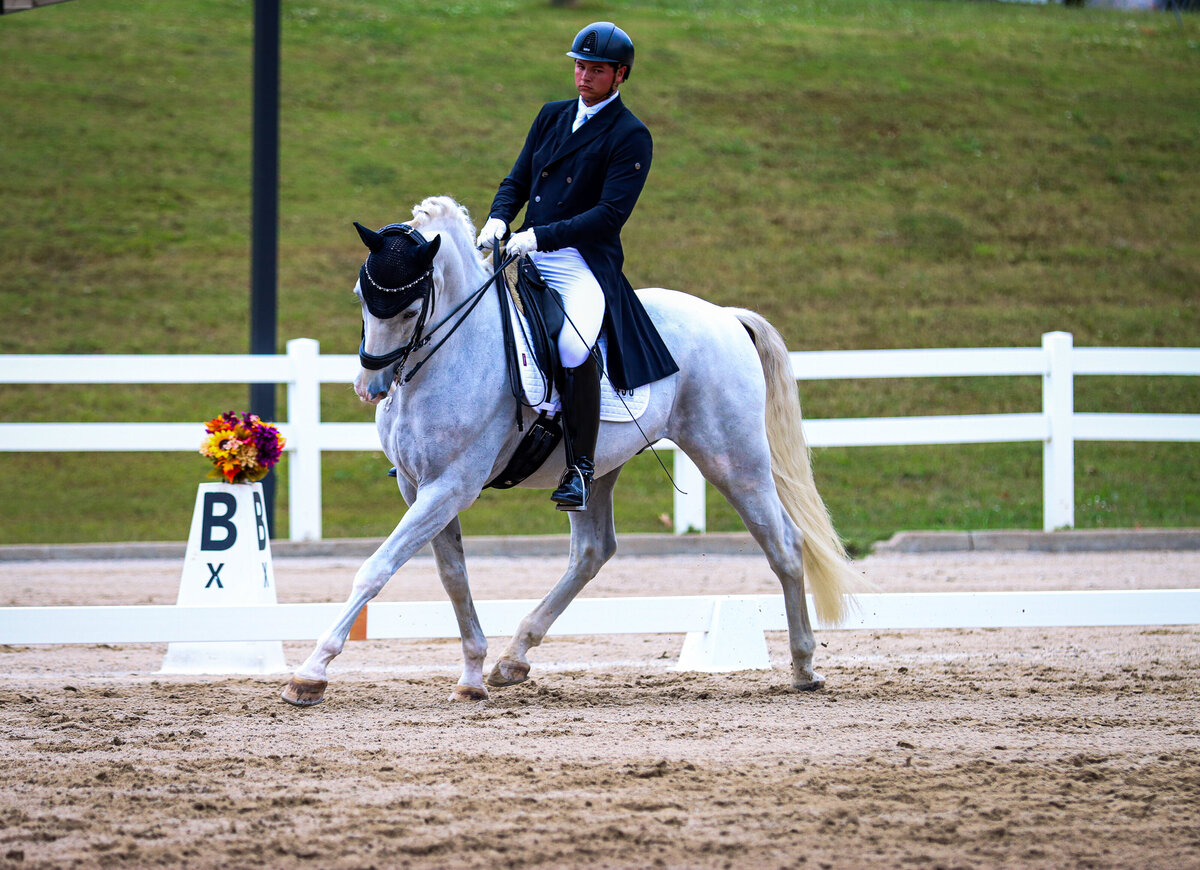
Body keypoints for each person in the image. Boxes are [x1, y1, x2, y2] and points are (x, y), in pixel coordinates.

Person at [477, 21, 679, 511]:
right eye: (579, 66)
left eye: (596, 70)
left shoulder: (631, 135)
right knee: (472, 322)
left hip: (581, 261)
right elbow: (518, 177)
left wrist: (539, 235)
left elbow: (608, 215)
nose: (584, 76)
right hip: (525, 253)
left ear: (620, 75)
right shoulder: (551, 116)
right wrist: (499, 218)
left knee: (572, 345)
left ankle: (580, 468)